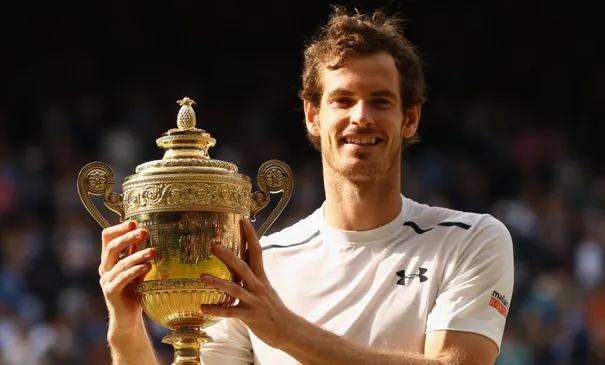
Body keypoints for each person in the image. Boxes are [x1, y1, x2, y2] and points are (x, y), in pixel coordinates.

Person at [98, 6, 514, 365]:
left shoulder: (470, 240)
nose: (362, 116)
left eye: (381, 100)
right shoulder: (258, 266)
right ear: (313, 115)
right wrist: (126, 324)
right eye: (343, 100)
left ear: (410, 118)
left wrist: (287, 332)